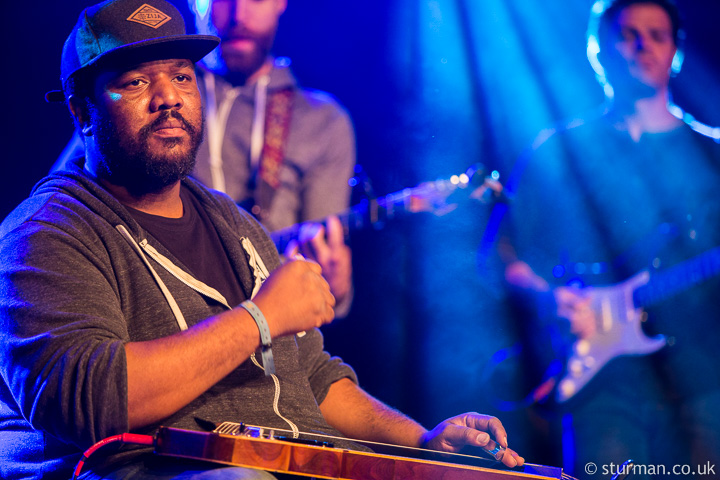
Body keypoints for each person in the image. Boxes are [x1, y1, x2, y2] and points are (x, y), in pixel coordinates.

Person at [0, 1, 524, 478]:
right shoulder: (45, 234)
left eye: (181, 76)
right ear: (81, 111)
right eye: (136, 82)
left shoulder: (234, 224)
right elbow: (88, 400)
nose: (168, 98)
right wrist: (259, 318)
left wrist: (422, 442)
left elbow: (314, 375)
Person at [502, 0, 720, 478]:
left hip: (706, 383)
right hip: (601, 385)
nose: (643, 46)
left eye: (657, 35)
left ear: (676, 50)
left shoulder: (713, 156)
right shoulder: (559, 151)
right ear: (597, 49)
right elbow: (502, 255)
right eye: (628, 35)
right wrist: (548, 298)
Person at [54, 0, 355, 317]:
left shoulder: (323, 119)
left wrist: (332, 290)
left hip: (264, 314)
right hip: (151, 302)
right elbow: (64, 206)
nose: (239, 15)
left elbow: (321, 262)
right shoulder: (142, 98)